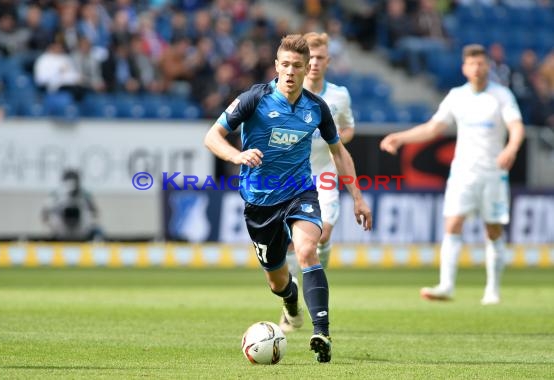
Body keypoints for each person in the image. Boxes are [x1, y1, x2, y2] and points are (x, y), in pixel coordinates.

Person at [204, 34, 372, 363]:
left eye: (298, 65)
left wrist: (358, 197)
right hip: (260, 201)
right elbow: (212, 137)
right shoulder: (254, 99)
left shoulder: (316, 107)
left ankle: (322, 332)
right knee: (277, 280)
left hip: (299, 191)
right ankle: (290, 301)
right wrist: (236, 156)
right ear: (276, 67)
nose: (292, 71)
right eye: (286, 65)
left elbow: (340, 153)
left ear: (307, 66)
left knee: (309, 249)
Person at [380, 44, 525, 305]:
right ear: (464, 68)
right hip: (462, 172)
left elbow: (516, 126)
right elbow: (433, 128)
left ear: (488, 67)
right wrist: (401, 137)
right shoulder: (457, 96)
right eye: (472, 64)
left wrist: (511, 149)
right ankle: (446, 285)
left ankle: (492, 289)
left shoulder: (501, 95)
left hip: (493, 172)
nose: (477, 68)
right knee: (453, 224)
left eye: (481, 64)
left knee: (492, 229)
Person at [282, 32, 356, 332]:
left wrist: (333, 138)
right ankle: (291, 302)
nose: (314, 63)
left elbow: (348, 129)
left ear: (327, 61)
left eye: (320, 58)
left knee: (320, 236)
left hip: (324, 176)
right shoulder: (285, 94)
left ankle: (313, 280)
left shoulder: (339, 96)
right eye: (309, 58)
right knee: (290, 246)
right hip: (291, 178)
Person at [41, 169, 103, 241]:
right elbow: (45, 215)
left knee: (99, 231)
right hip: (61, 232)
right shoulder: (56, 196)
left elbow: (95, 214)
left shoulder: (84, 195)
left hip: (81, 232)